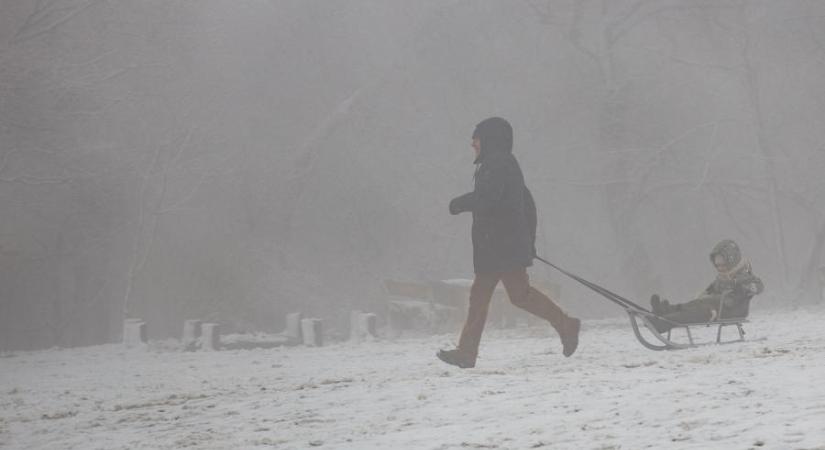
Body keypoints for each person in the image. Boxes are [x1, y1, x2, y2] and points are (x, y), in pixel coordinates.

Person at [437, 117, 581, 368]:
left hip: (502, 245)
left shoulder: (500, 164)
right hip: (497, 245)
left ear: (489, 139)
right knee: (487, 296)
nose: (473, 143)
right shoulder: (497, 165)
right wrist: (528, 241)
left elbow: (488, 199)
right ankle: (467, 353)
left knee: (513, 295)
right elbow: (527, 203)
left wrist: (459, 203)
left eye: (477, 138)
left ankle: (566, 324)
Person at [649, 239, 764, 333]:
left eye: (722, 264)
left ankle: (665, 322)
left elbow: (758, 286)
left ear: (731, 260)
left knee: (696, 312)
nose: (719, 267)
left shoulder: (744, 276)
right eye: (717, 264)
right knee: (693, 305)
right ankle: (665, 311)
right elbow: (710, 290)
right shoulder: (721, 279)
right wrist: (704, 297)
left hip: (731, 310)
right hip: (716, 306)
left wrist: (744, 286)